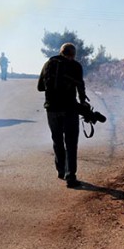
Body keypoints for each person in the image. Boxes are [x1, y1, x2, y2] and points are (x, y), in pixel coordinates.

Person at [37, 43, 87, 188]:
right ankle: (70, 176)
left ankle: (60, 171)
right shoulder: (75, 66)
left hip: (51, 109)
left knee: (57, 140)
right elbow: (81, 86)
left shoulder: (48, 64)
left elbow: (40, 87)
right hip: (69, 108)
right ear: (73, 54)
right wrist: (83, 102)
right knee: (71, 143)